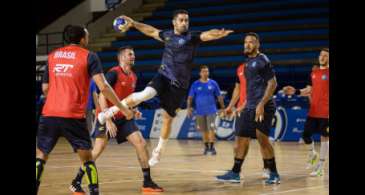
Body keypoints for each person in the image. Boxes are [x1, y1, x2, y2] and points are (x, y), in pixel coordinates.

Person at [98, 9, 233, 166]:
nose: (184, 23)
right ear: (174, 22)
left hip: (179, 87)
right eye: (181, 20)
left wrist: (218, 33)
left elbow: (207, 34)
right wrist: (134, 23)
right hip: (163, 76)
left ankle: (158, 151)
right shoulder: (167, 35)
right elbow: (151, 31)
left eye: (186, 20)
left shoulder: (192, 37)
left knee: (168, 120)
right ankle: (110, 112)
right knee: (145, 94)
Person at [36, 25, 133, 195]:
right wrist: (122, 107)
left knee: (40, 157)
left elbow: (45, 88)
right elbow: (103, 86)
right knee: (88, 159)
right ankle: (94, 192)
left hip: (49, 114)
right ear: (82, 39)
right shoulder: (89, 56)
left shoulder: (52, 56)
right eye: (87, 35)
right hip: (73, 114)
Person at [70, 46, 164, 193]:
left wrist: (134, 110)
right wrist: (107, 119)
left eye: (133, 54)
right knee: (97, 151)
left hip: (123, 118)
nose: (133, 56)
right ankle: (76, 181)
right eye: (130, 54)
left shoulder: (133, 76)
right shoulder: (113, 73)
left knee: (141, 143)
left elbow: (128, 100)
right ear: (121, 58)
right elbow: (102, 95)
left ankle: (147, 182)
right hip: (106, 117)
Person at [216, 32, 280, 184]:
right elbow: (249, 90)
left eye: (251, 42)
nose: (247, 44)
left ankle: (274, 173)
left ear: (257, 45)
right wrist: (240, 106)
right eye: (245, 42)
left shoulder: (262, 60)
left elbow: (273, 84)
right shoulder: (246, 64)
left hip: (263, 107)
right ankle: (235, 172)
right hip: (249, 107)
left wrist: (261, 104)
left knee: (263, 140)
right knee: (241, 140)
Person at [282, 48, 329, 176]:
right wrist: (295, 91)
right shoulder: (314, 72)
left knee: (325, 137)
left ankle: (321, 166)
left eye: (325, 56)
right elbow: (309, 90)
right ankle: (313, 153)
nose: (322, 57)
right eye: (321, 55)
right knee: (306, 135)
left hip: (326, 112)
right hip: (313, 110)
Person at [223, 61, 273, 179]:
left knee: (263, 141)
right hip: (242, 111)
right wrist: (230, 106)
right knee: (239, 143)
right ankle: (237, 171)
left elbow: (264, 88)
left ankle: (267, 168)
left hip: (257, 108)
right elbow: (237, 88)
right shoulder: (240, 68)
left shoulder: (262, 67)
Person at [187, 65, 225, 155]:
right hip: (200, 112)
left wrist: (223, 108)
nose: (205, 73)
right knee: (204, 130)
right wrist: (188, 108)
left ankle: (212, 148)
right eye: (203, 71)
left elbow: (219, 97)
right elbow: (190, 98)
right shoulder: (195, 84)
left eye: (207, 71)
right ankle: (206, 147)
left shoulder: (213, 83)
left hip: (211, 111)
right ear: (200, 73)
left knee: (211, 129)